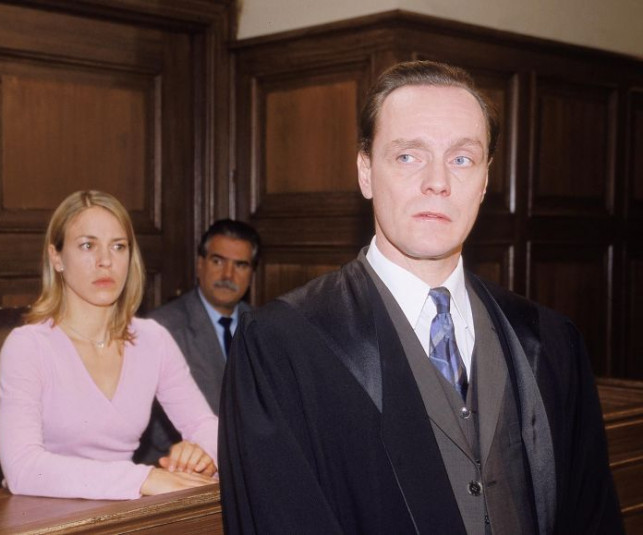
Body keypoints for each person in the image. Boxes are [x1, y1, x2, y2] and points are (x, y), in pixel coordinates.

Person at [218, 61, 623, 534]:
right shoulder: (281, 346)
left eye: (462, 159)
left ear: (485, 180)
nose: (438, 182)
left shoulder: (550, 342)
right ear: (366, 172)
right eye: (409, 156)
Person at [0, 190, 218, 500]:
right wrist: (142, 479)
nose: (106, 262)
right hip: (43, 513)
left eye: (118, 246)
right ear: (56, 257)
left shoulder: (152, 339)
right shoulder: (27, 347)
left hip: (122, 511)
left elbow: (204, 424)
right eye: (88, 246)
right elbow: (23, 469)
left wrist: (203, 455)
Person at [135, 219, 260, 464]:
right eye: (218, 261)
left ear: (252, 274)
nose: (228, 275)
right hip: (180, 466)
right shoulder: (161, 327)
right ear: (200, 264)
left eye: (240, 265)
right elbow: (152, 425)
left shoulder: (262, 326)